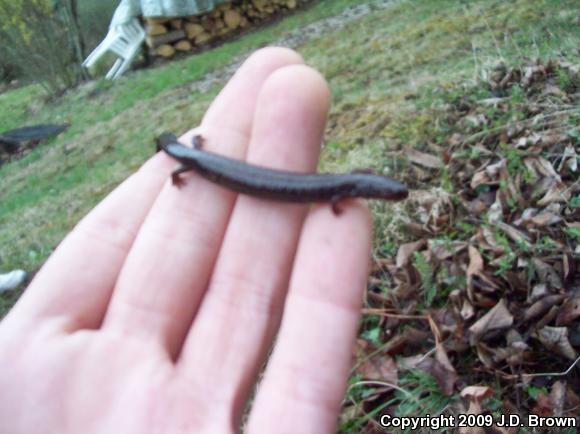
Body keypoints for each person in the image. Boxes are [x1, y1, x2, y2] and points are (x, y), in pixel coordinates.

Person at [0, 47, 372, 434]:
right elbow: (184, 162)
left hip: (200, 160)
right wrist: (180, 171)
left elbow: (187, 158)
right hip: (199, 162)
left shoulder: (191, 159)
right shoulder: (188, 163)